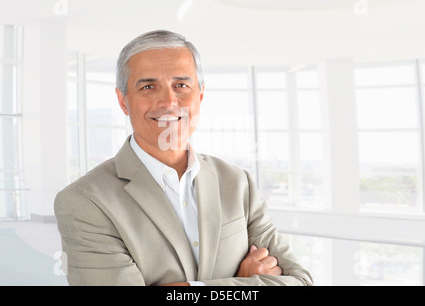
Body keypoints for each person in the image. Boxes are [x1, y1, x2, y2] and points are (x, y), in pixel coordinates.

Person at [54, 30, 313, 286]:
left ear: (199, 95)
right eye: (147, 86)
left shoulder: (238, 184)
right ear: (123, 101)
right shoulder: (85, 201)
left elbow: (300, 282)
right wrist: (240, 282)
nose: (168, 101)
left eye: (181, 85)